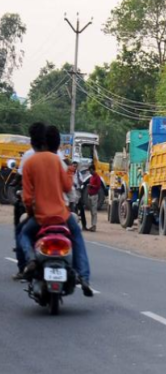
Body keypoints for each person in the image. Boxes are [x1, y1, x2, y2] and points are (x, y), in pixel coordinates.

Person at [17, 124, 93, 297]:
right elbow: (67, 187)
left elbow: (27, 199)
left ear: (33, 143)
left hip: (40, 218)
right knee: (78, 238)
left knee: (24, 234)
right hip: (62, 216)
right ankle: (84, 277)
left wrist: (31, 213)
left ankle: (30, 261)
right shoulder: (56, 161)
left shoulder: (29, 163)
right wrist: (68, 173)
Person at [11, 122, 45, 281]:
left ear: (31, 140)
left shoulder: (28, 157)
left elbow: (20, 179)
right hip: (59, 211)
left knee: (21, 231)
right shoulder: (58, 157)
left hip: (36, 210)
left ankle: (23, 265)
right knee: (75, 234)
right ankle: (81, 272)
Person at [80, 166, 101, 232]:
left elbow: (98, 186)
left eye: (91, 171)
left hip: (94, 195)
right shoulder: (91, 177)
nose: (90, 172)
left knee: (94, 211)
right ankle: (92, 225)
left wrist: (91, 186)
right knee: (91, 211)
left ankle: (94, 226)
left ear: (93, 170)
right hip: (90, 195)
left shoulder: (97, 177)